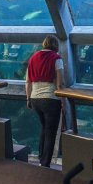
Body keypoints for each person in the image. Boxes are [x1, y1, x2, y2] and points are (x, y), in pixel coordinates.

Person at [25, 36, 65, 168]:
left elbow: (28, 81)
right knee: (51, 132)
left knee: (44, 128)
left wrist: (28, 98)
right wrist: (63, 101)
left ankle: (41, 158)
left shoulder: (33, 58)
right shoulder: (56, 58)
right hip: (51, 99)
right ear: (55, 45)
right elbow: (60, 83)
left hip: (35, 98)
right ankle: (45, 163)